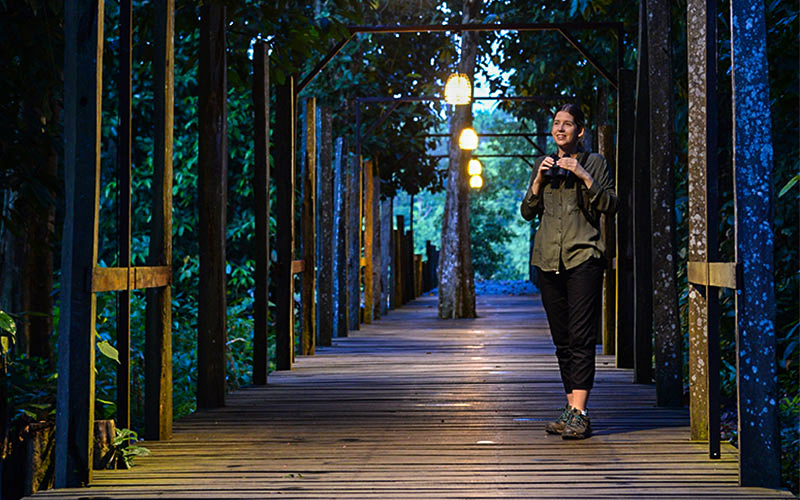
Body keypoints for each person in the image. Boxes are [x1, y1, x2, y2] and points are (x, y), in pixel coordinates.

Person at [519, 104, 618, 439]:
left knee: (581, 336)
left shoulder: (595, 163)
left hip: (583, 257)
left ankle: (580, 411)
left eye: (568, 124)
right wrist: (537, 180)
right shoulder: (542, 165)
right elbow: (526, 212)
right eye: (556, 124)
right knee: (562, 340)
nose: (560, 129)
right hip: (548, 260)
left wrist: (582, 174)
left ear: (580, 131)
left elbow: (610, 204)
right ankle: (570, 408)